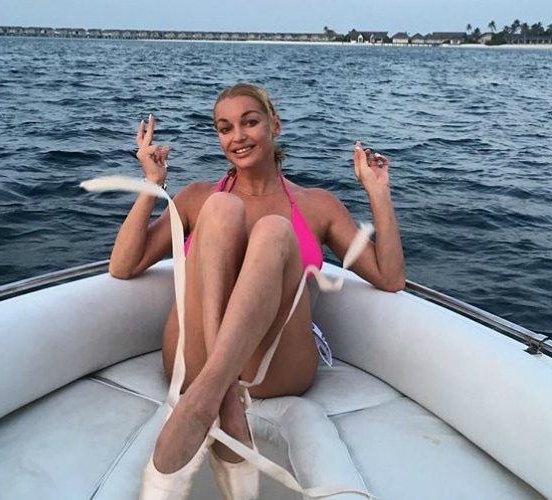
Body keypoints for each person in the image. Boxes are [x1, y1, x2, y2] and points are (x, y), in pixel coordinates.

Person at [109, 83, 405, 499]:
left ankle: (203, 401)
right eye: (225, 128)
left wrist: (378, 193)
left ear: (274, 126)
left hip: (273, 368)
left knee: (274, 232)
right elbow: (123, 266)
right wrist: (152, 184)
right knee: (221, 209)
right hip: (194, 357)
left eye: (250, 122)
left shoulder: (317, 205)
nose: (238, 137)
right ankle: (224, 397)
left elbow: (389, 277)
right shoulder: (198, 197)